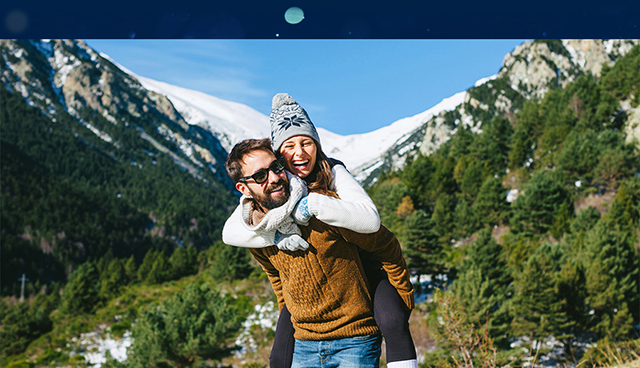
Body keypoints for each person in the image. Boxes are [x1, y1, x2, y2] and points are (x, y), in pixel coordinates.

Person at [223, 93, 419, 368]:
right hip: (311, 317)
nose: (299, 152)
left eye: (306, 142)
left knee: (392, 320)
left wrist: (314, 205)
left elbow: (374, 226)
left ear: (317, 144)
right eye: (289, 146)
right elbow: (233, 233)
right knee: (279, 355)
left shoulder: (334, 176)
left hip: (364, 275)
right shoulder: (264, 207)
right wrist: (274, 235)